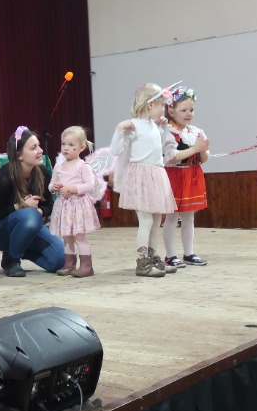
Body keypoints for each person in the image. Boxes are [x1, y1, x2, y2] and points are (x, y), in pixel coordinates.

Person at [110, 83, 180, 278]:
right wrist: (119, 129)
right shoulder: (133, 125)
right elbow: (115, 150)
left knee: (156, 219)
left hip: (156, 174)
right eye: (161, 105)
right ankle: (142, 262)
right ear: (150, 105)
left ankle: (152, 257)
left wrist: (162, 130)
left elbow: (158, 149)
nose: (164, 109)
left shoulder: (153, 125)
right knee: (146, 220)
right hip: (141, 176)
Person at [0, 127, 66, 277]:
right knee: (30, 215)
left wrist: (40, 211)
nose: (40, 151)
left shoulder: (44, 173)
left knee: (61, 260)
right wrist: (21, 206)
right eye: (33, 148)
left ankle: (21, 248)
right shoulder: (3, 178)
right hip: (0, 232)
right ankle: (11, 260)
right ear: (19, 155)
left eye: (39, 146)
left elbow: (50, 205)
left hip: (31, 225)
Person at [162, 86, 212, 268]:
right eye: (183, 110)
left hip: (193, 174)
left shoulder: (195, 132)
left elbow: (204, 159)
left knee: (189, 217)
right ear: (171, 111)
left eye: (191, 110)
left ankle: (189, 253)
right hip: (175, 175)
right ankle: (170, 255)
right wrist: (195, 148)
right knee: (172, 217)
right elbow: (172, 158)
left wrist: (203, 149)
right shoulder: (168, 132)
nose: (188, 114)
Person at [48, 126, 100, 277]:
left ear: (81, 147)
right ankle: (69, 264)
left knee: (79, 236)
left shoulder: (83, 166)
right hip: (64, 206)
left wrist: (73, 189)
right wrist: (53, 187)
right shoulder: (58, 166)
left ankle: (86, 266)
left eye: (71, 145)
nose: (66, 148)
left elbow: (90, 186)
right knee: (67, 236)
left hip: (78, 206)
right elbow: (51, 184)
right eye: (63, 144)